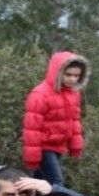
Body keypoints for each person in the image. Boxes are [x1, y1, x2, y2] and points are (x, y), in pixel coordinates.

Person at [23, 51, 89, 187]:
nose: (72, 79)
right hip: (44, 147)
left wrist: (76, 146)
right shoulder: (40, 94)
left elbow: (74, 121)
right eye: (68, 74)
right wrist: (32, 157)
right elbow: (32, 128)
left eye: (76, 76)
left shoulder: (73, 93)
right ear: (58, 72)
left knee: (42, 184)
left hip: (58, 146)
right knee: (56, 183)